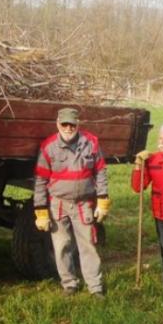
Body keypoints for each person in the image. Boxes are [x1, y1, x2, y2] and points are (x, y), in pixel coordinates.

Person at [33, 108, 111, 298]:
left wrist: (102, 200)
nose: (68, 128)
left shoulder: (91, 143)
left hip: (83, 205)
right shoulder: (48, 147)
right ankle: (69, 284)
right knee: (62, 246)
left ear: (78, 124)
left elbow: (100, 172)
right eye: (64, 124)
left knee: (88, 246)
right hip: (58, 205)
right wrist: (41, 211)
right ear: (57, 124)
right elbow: (40, 181)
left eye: (72, 124)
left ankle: (95, 287)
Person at [131, 124, 163, 287]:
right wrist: (139, 164)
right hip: (161, 213)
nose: (162, 141)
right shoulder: (152, 159)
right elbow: (137, 187)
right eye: (160, 138)